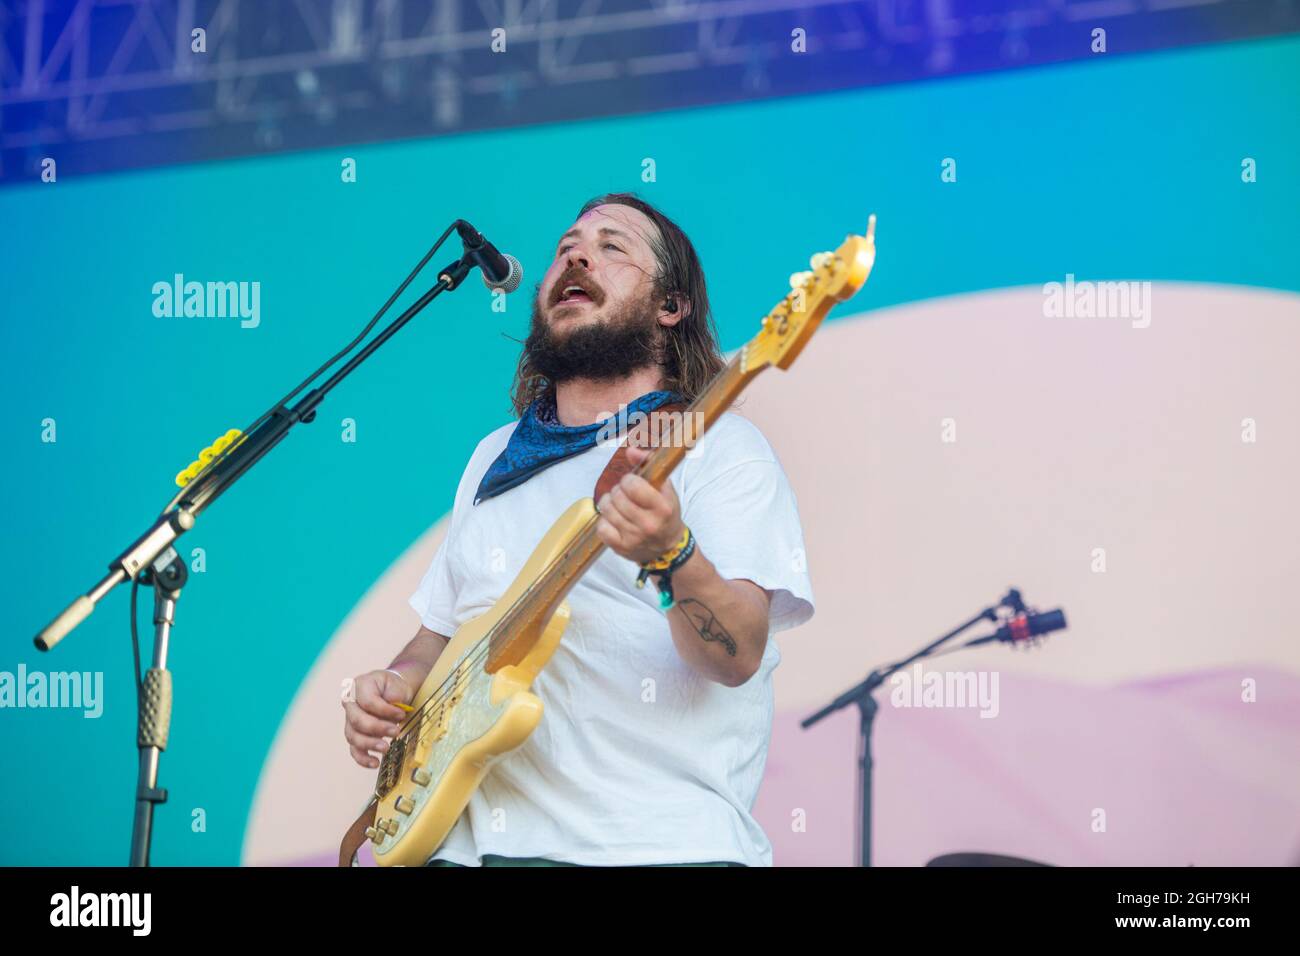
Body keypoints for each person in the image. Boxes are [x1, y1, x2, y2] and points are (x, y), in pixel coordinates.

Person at [342, 192, 813, 866]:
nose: (578, 256)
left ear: (670, 307)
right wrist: (391, 687)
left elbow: (735, 655)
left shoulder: (718, 446)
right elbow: (440, 636)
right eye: (565, 249)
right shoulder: (495, 457)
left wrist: (671, 554)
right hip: (462, 849)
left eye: (613, 246)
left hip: (652, 849)